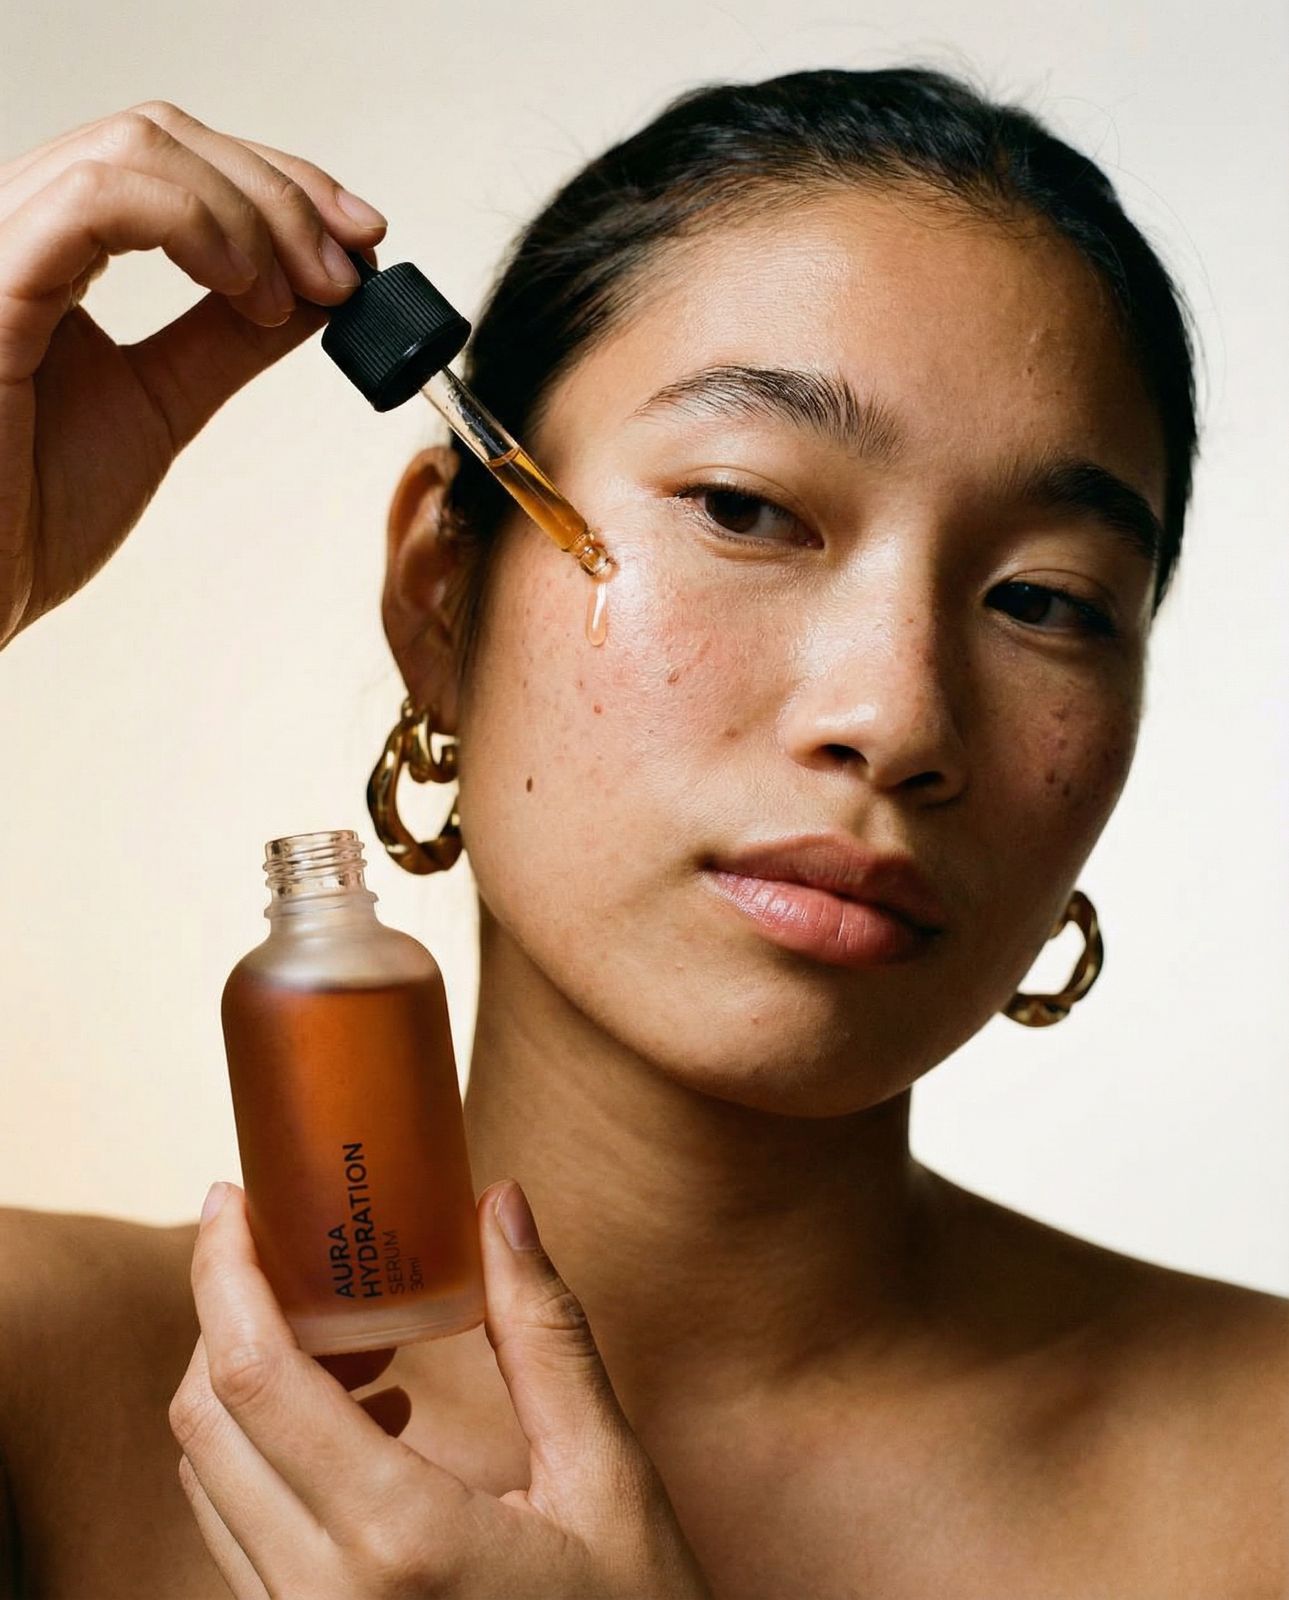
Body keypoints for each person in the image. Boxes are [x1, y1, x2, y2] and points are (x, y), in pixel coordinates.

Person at [1, 67, 1285, 1599]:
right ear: (441, 596)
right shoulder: (43, 1392)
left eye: (1045, 601)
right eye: (743, 508)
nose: (894, 717)